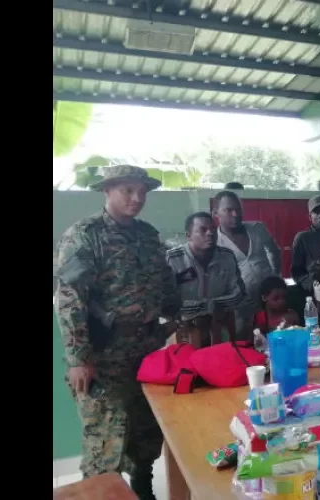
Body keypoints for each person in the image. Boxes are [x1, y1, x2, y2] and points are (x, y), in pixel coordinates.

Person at [54, 165, 181, 500]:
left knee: (145, 433)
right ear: (107, 190)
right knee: (105, 441)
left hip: (147, 350)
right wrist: (79, 358)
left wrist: (174, 314)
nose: (137, 198)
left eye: (142, 191)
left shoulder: (148, 235)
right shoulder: (85, 235)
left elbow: (164, 282)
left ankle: (143, 489)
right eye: (128, 190)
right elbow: (69, 299)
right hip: (104, 354)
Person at [165, 212, 247, 347]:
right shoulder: (172, 259)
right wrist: (206, 308)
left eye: (213, 229)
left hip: (220, 324)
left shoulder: (226, 256)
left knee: (221, 363)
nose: (210, 233)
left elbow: (239, 293)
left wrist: (214, 306)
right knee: (186, 365)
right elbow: (166, 302)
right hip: (184, 327)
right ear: (188, 235)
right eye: (203, 230)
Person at [214, 190, 282, 336]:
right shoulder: (215, 243)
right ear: (216, 212)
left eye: (238, 209)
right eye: (229, 210)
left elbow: (274, 251)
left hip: (269, 300)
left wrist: (276, 276)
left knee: (277, 337)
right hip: (241, 306)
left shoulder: (257, 228)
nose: (235, 214)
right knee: (246, 342)